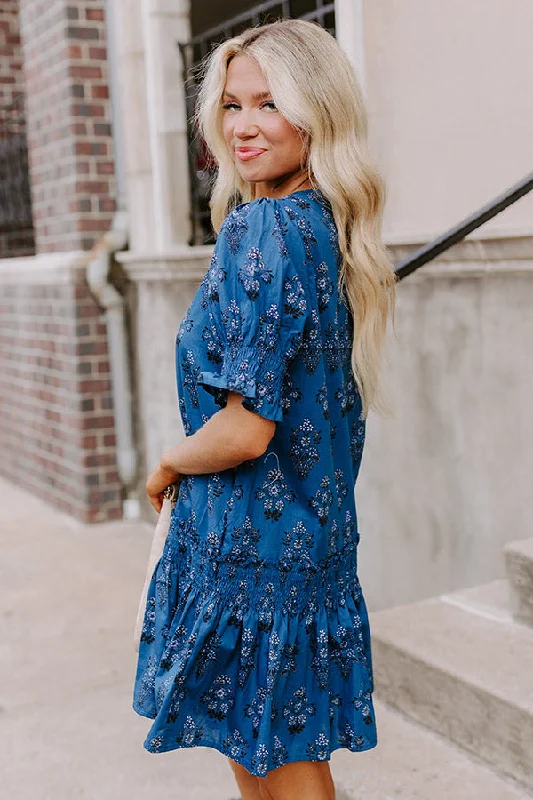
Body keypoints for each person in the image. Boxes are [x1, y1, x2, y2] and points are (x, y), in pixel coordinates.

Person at [133, 18, 395, 800]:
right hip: (307, 538)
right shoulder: (324, 223)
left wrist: (169, 460)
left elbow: (247, 430)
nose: (243, 127)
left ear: (317, 114)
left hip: (252, 542)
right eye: (233, 104)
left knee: (278, 764)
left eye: (270, 104)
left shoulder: (265, 229)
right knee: (274, 746)